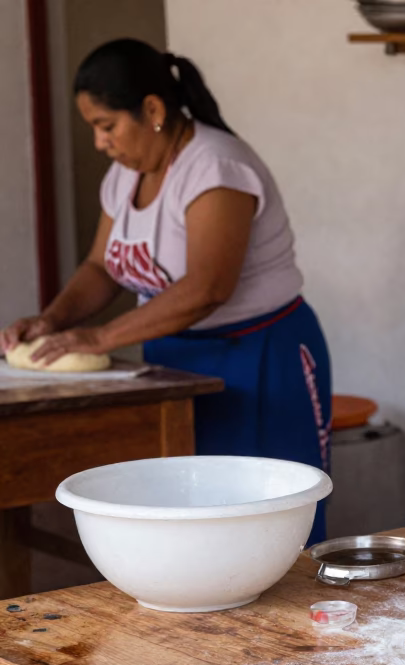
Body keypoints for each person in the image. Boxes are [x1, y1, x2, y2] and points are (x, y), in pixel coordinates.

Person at [1, 39, 332, 543]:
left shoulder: (215, 167)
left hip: (260, 358)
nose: (99, 142)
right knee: (189, 521)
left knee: (268, 525)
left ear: (152, 109)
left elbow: (207, 288)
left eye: (106, 125)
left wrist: (98, 339)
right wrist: (54, 320)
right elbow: (102, 267)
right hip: (175, 361)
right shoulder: (123, 177)